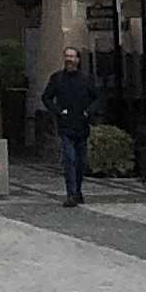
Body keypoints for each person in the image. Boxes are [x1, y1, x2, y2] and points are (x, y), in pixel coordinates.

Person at [39, 45, 103, 207]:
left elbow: (98, 98)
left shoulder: (86, 79)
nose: (69, 59)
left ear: (77, 60)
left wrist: (89, 112)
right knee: (69, 159)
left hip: (82, 126)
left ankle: (78, 191)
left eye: (72, 56)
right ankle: (71, 193)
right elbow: (46, 97)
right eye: (66, 56)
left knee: (80, 162)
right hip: (65, 126)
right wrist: (58, 112)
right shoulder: (57, 78)